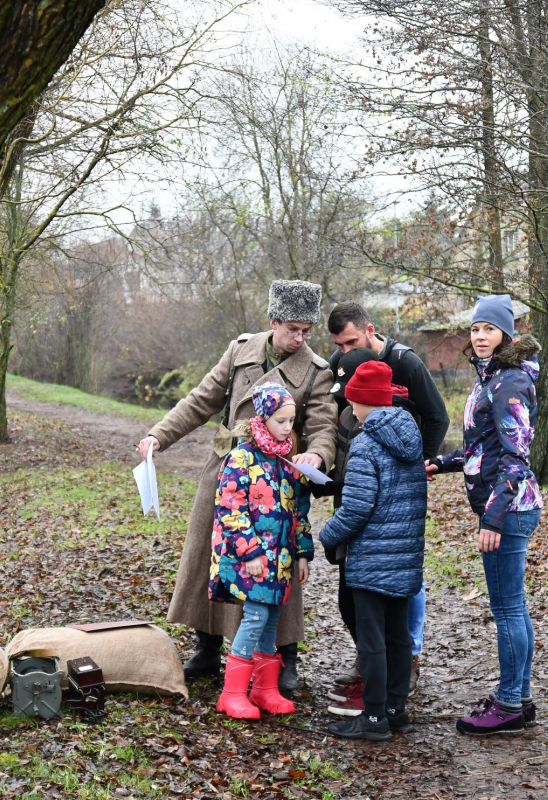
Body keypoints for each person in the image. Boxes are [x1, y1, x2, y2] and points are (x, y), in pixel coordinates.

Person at [135, 279, 337, 691]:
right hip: (226, 469)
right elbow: (200, 400)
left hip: (276, 483)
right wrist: (159, 435)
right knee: (207, 554)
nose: (299, 338)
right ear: (273, 321)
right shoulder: (240, 350)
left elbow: (323, 426)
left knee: (277, 566)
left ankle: (283, 657)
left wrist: (316, 455)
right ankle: (207, 646)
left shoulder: (316, 371)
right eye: (292, 329)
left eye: (306, 330)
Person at [426, 294, 544, 736]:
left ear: (506, 335)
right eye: (475, 329)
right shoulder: (490, 377)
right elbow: (483, 448)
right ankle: (521, 697)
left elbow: (516, 459)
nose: (479, 336)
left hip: (508, 509)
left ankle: (510, 703)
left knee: (509, 608)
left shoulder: (510, 382)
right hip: (508, 505)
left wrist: (492, 518)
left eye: (489, 329)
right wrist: (445, 461)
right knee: (515, 606)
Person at [326, 302, 449, 696]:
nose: (343, 352)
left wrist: (419, 463)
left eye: (350, 342)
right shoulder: (341, 363)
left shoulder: (405, 363)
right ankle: (369, 656)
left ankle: (406, 660)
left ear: (370, 330)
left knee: (398, 581)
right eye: (337, 346)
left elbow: (438, 417)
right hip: (356, 481)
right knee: (354, 587)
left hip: (397, 492)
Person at [319, 361, 426, 741]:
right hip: (403, 557)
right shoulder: (410, 436)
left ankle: (374, 718)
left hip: (371, 560)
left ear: (362, 402)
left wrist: (328, 535)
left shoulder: (366, 442)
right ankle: (396, 710)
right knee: (397, 636)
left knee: (371, 642)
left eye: (353, 404)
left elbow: (358, 507)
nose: (351, 411)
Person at [209, 383, 313, 719]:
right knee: (254, 617)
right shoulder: (242, 457)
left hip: (279, 559)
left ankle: (265, 689)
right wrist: (249, 551)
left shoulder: (285, 461)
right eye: (281, 420)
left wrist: (301, 553)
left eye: (291, 421)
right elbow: (230, 507)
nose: (287, 427)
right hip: (250, 558)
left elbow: (299, 509)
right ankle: (232, 692)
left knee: (270, 620)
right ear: (264, 418)